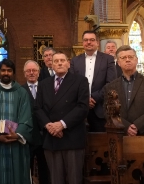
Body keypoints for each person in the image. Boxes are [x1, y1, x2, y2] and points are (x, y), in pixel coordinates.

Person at [35, 52, 89, 184]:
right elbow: (37, 108)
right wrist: (48, 125)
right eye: (56, 61)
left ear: (68, 63)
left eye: (62, 60)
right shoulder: (43, 84)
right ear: (51, 65)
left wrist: (62, 124)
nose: (59, 63)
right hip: (51, 137)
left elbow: (82, 107)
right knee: (55, 179)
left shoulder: (80, 81)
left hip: (72, 137)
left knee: (74, 179)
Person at [103, 45, 144, 136]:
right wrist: (126, 127)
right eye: (123, 58)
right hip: (121, 134)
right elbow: (108, 111)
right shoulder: (110, 86)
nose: (127, 60)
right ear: (118, 62)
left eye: (130, 57)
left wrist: (137, 125)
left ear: (136, 60)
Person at [71, 30, 117, 132]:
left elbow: (111, 83)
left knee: (101, 143)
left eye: (92, 40)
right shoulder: (75, 60)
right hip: (80, 109)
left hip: (101, 109)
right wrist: (85, 98)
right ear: (82, 43)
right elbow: (72, 83)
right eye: (86, 40)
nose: (88, 42)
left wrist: (94, 97)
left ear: (97, 42)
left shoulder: (108, 59)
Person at [23, 60, 50, 184]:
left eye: (34, 70)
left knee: (45, 170)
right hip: (27, 137)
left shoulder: (47, 87)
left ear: (39, 73)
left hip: (45, 135)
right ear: (24, 74)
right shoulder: (20, 90)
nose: (31, 73)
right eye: (29, 71)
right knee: (25, 169)